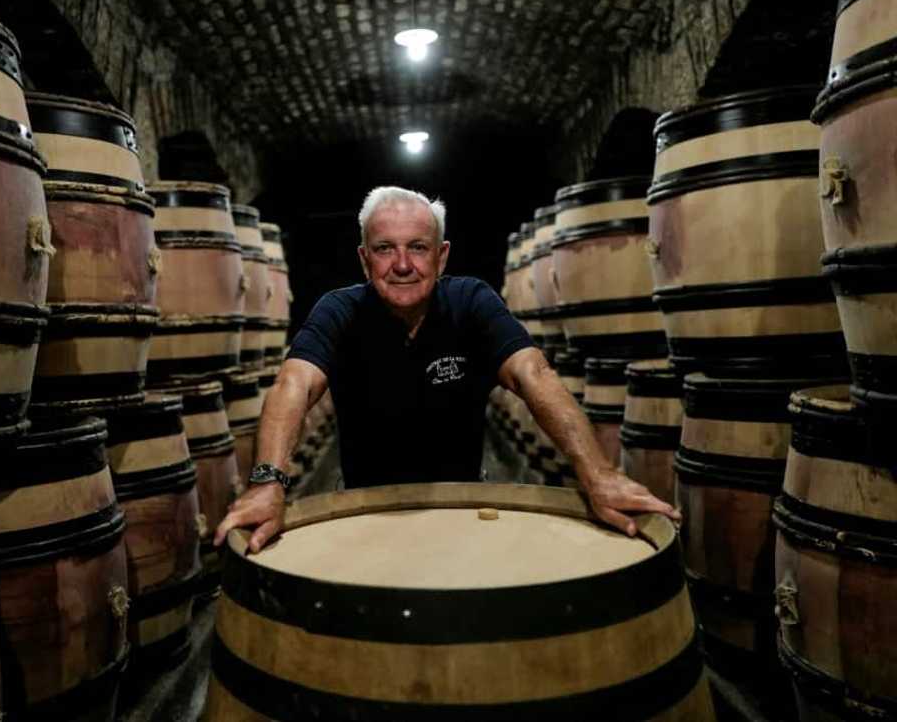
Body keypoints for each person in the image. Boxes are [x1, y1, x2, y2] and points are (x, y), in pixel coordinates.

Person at [215, 186, 679, 553]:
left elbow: (533, 374)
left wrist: (597, 473)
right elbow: (293, 384)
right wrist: (266, 482)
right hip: (362, 509)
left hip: (464, 503)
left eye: (418, 247)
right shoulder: (339, 311)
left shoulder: (471, 302)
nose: (402, 264)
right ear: (363, 258)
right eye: (384, 249)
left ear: (442, 256)